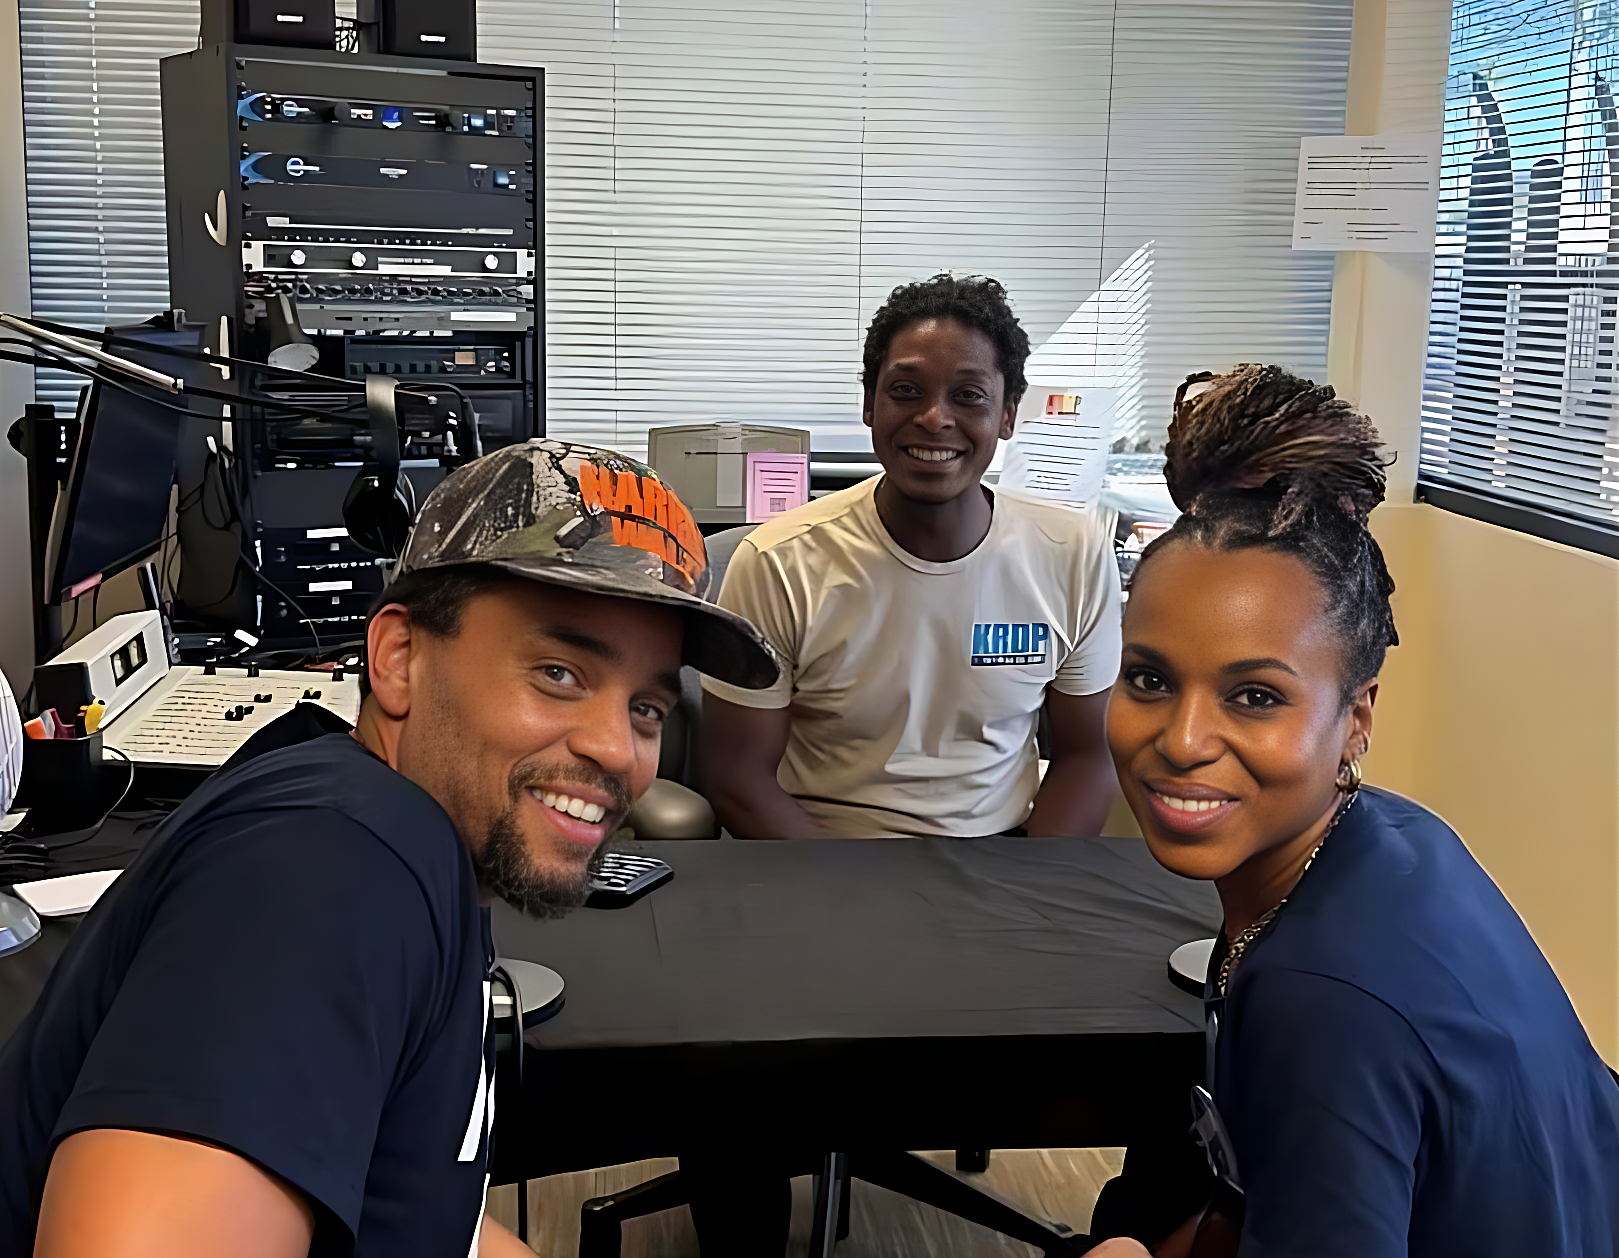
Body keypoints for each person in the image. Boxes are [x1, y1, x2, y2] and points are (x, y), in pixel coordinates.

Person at [0, 441, 778, 1257]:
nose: (617, 749)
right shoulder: (330, 869)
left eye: (646, 708)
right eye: (558, 673)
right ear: (399, 659)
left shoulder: (418, 844)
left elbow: (416, 1207)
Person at [1088, 366, 1619, 1257]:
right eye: (1148, 679)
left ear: (1356, 719)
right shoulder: (1397, 834)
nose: (1181, 740)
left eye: (1254, 696)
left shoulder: (1321, 1002)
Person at [702, 273, 1122, 838]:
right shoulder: (777, 562)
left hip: (1002, 857)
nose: (934, 418)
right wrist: (841, 886)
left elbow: (1088, 756)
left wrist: (1034, 884)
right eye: (905, 390)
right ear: (869, 404)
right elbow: (737, 775)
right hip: (826, 853)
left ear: (1008, 414)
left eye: (968, 396)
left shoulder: (1073, 553)